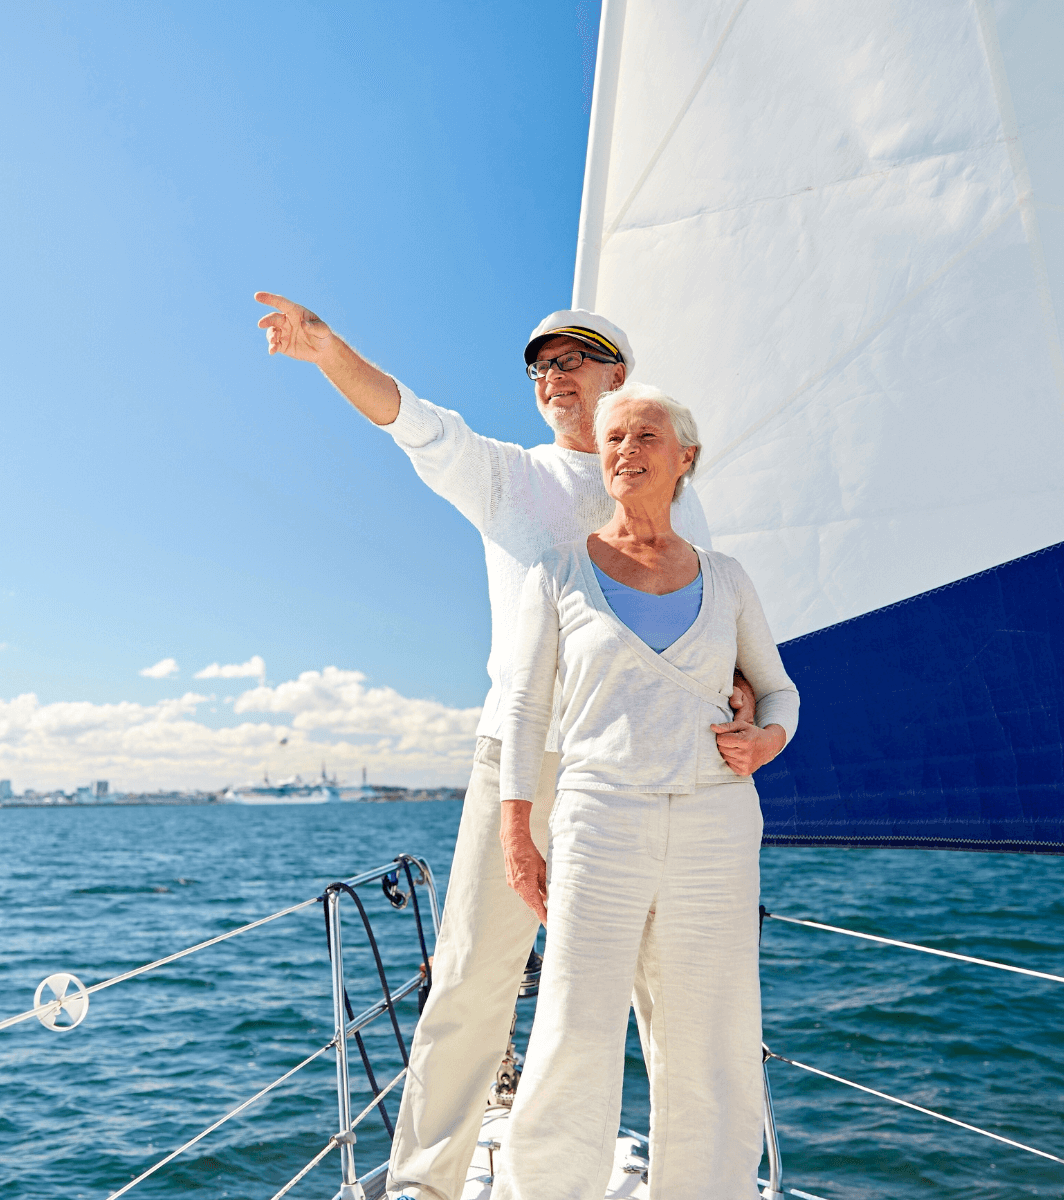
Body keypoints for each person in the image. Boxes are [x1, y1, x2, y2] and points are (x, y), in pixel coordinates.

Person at [254, 293, 748, 1200]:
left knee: (667, 997)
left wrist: (747, 702)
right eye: (542, 367)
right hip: (523, 761)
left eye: (575, 359)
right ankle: (423, 1184)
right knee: (476, 978)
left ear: (618, 378)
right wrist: (327, 350)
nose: (555, 377)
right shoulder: (510, 477)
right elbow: (413, 420)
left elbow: (712, 626)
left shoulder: (681, 500)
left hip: (649, 767)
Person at [495, 383, 797, 1200]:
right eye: (614, 437)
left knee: (711, 1033)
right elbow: (526, 710)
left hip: (716, 823)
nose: (625, 448)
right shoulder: (559, 574)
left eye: (645, 436)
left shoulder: (726, 579)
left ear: (684, 459)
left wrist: (767, 739)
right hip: (599, 820)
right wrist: (517, 832)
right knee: (572, 1025)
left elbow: (779, 693)